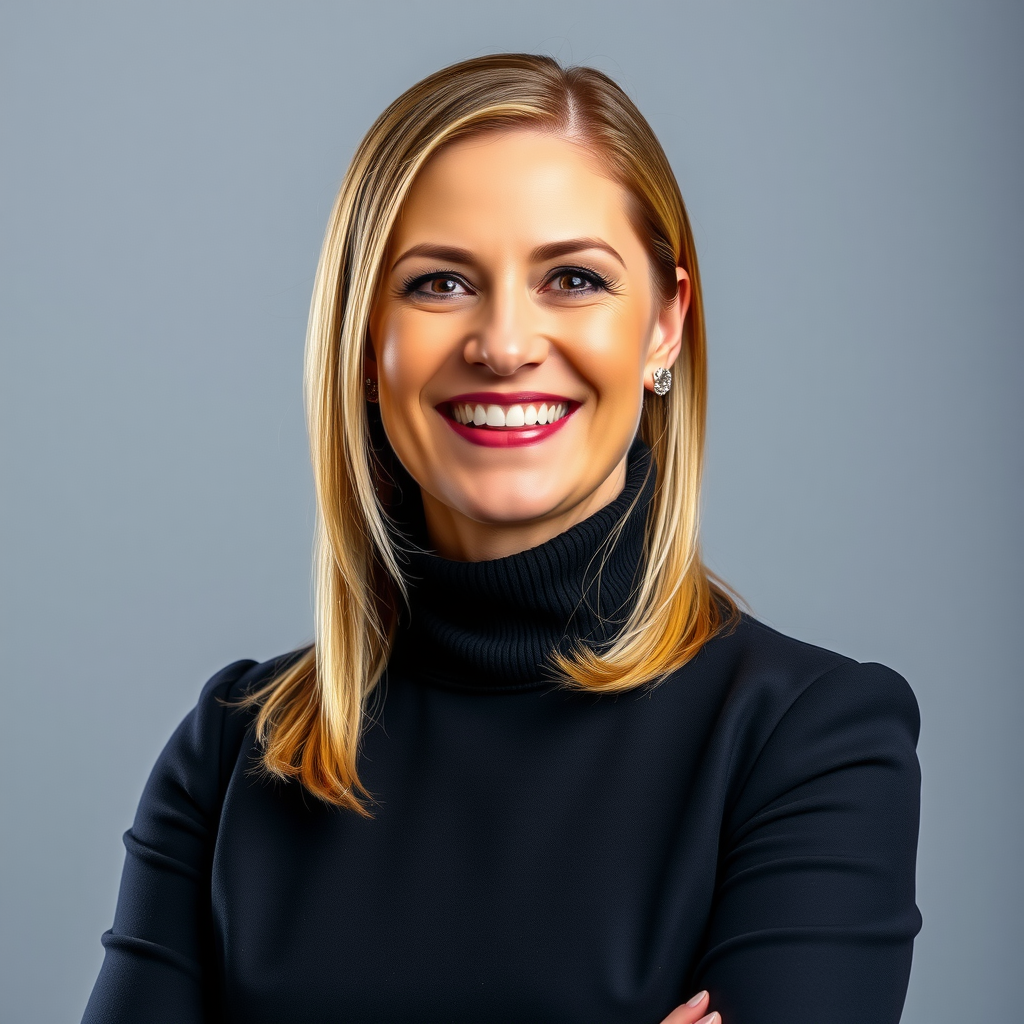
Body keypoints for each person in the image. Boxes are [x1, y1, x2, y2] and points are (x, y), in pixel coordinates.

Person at [82, 54, 921, 1024]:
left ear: (663, 327)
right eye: (439, 283)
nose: (505, 342)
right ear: (363, 344)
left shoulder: (807, 740)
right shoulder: (234, 751)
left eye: (572, 278)